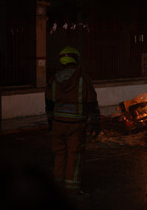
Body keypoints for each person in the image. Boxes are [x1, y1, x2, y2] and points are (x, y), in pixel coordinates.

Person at [45, 46, 100, 193]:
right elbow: (91, 102)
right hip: (76, 125)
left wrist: (50, 121)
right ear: (76, 59)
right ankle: (72, 188)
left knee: (59, 154)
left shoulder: (54, 79)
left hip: (58, 123)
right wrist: (95, 122)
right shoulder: (82, 79)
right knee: (74, 155)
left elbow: (49, 102)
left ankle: (57, 186)